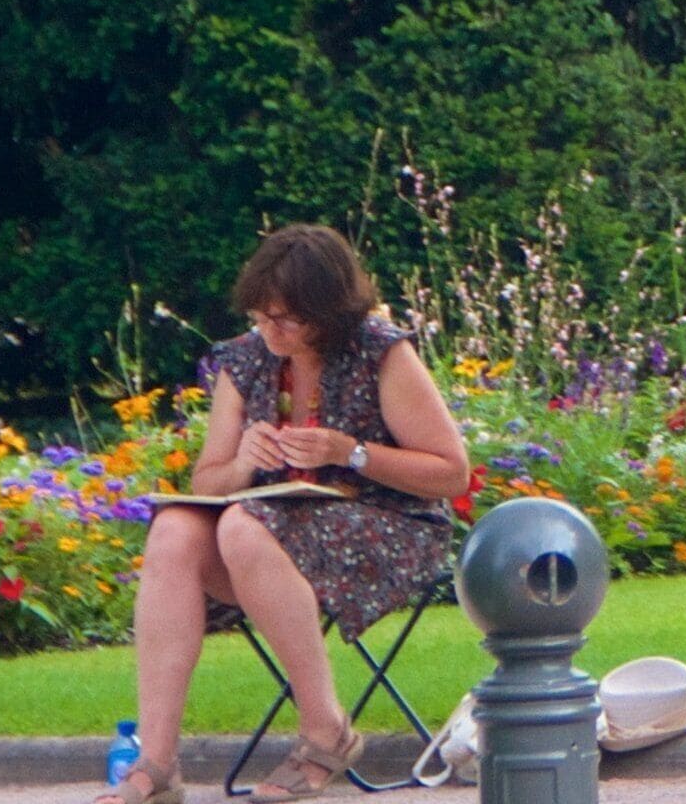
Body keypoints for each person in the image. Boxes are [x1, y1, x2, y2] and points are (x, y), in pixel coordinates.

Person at [96, 225, 469, 804]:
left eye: (286, 319)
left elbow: (450, 472)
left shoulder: (381, 352)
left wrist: (350, 452)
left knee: (245, 527)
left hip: (387, 528)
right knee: (174, 526)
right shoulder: (245, 361)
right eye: (261, 316)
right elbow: (209, 480)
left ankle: (326, 731)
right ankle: (158, 763)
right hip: (273, 535)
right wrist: (245, 461)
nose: (270, 330)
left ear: (328, 313)